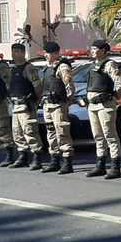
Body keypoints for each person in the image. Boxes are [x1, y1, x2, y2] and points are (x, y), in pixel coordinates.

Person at [84, 40, 121, 179]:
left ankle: (115, 167)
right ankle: (100, 165)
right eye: (92, 48)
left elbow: (119, 83)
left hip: (105, 105)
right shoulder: (92, 65)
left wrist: (114, 97)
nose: (93, 51)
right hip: (92, 105)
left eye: (95, 48)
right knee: (98, 136)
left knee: (110, 135)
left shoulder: (109, 64)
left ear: (103, 50)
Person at [5, 43, 45, 169]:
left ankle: (36, 157)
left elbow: (37, 86)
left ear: (23, 53)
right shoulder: (13, 69)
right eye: (13, 52)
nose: (14, 54)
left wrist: (35, 101)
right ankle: (22, 156)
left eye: (17, 52)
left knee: (30, 131)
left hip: (26, 105)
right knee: (17, 132)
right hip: (16, 105)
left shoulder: (29, 68)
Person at [39, 42, 76, 174]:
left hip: (58, 105)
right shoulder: (47, 68)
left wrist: (68, 102)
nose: (45, 55)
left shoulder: (62, 67)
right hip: (47, 104)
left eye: (47, 53)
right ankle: (54, 160)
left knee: (62, 132)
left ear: (55, 53)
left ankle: (67, 162)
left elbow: (69, 85)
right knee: (51, 133)